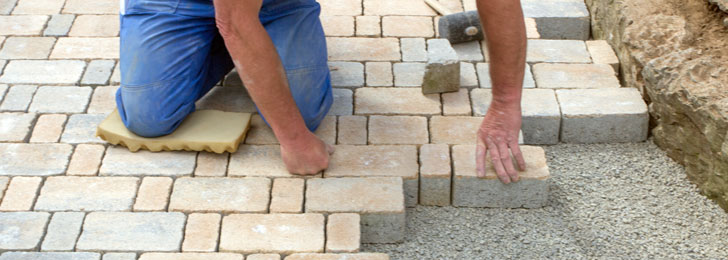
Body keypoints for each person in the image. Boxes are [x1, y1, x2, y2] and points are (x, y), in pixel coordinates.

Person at [116, 0, 526, 184]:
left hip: (278, 4)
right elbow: (235, 21)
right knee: (149, 118)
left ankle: (246, 49)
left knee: (305, 111)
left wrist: (505, 104)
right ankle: (238, 48)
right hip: (171, 2)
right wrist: (293, 140)